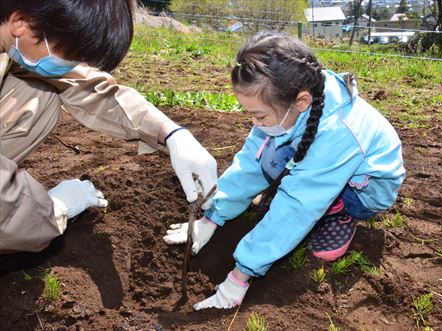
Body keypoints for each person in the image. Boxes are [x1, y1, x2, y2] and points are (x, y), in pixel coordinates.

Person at [164, 31, 406, 310]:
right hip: (321, 162)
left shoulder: (337, 132)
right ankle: (302, 190)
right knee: (268, 155)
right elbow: (251, 161)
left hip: (364, 191)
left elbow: (297, 206)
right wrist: (212, 218)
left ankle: (338, 214)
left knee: (301, 201)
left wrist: (239, 276)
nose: (254, 121)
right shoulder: (289, 96)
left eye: (259, 115)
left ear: (301, 101)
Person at [0, 0, 217, 254]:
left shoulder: (20, 36)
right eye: (69, 56)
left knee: (37, 94)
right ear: (19, 23)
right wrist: (52, 208)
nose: (73, 65)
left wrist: (171, 133)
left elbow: (85, 85)